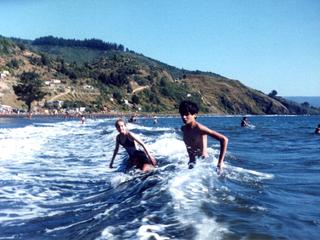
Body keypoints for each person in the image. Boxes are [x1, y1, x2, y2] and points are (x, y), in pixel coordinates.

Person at [179, 100, 228, 171]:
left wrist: (220, 163)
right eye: (182, 114)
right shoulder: (183, 129)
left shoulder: (200, 128)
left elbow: (224, 139)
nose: (184, 117)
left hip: (204, 163)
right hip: (192, 163)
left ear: (195, 115)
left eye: (187, 114)